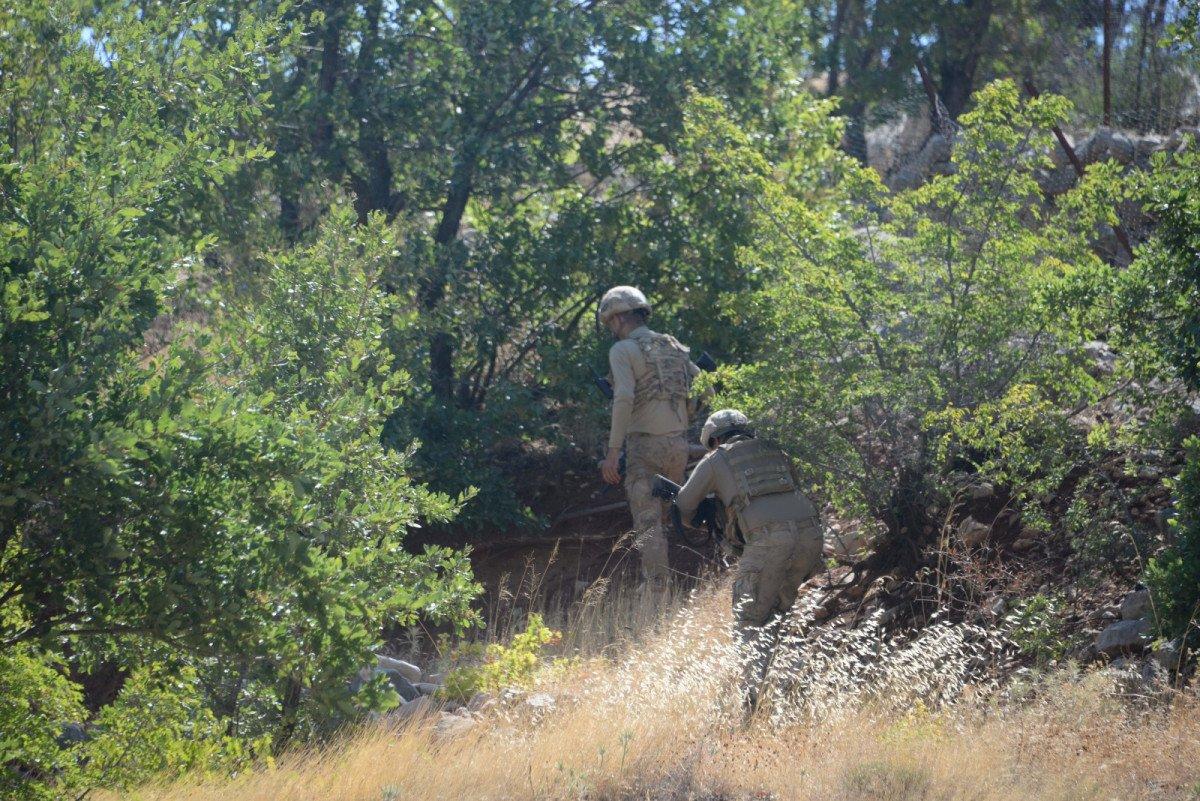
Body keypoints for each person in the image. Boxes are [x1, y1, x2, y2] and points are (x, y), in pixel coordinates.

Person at [674, 409, 822, 713]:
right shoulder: (775, 449)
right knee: (778, 616)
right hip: (810, 537)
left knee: (748, 622)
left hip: (770, 540)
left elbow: (685, 503)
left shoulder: (716, 459)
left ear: (713, 439)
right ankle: (793, 696)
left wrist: (701, 517)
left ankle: (753, 707)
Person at [597, 285, 701, 597]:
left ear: (617, 319)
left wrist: (613, 453)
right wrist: (686, 417)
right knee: (670, 517)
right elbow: (706, 388)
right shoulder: (673, 346)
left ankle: (657, 592)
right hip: (678, 448)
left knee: (649, 522)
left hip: (645, 449)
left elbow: (624, 397)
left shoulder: (622, 351)